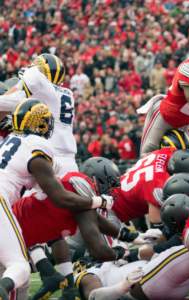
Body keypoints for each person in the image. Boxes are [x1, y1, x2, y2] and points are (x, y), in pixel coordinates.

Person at [0, 99, 114, 300]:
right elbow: (62, 199)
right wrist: (100, 201)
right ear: (39, 122)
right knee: (19, 266)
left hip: (6, 200)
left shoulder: (10, 140)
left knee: (19, 279)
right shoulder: (37, 143)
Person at [11, 162, 150, 300]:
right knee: (16, 281)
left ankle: (66, 286)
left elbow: (96, 220)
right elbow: (100, 251)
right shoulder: (80, 187)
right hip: (13, 235)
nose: (112, 190)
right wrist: (125, 252)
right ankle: (56, 279)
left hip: (24, 235)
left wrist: (131, 237)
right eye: (110, 184)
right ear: (96, 179)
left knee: (20, 282)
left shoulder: (78, 191)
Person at [0, 54, 78, 175]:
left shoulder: (40, 90)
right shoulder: (68, 93)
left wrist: (20, 83)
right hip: (71, 162)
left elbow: (3, 103)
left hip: (48, 158)